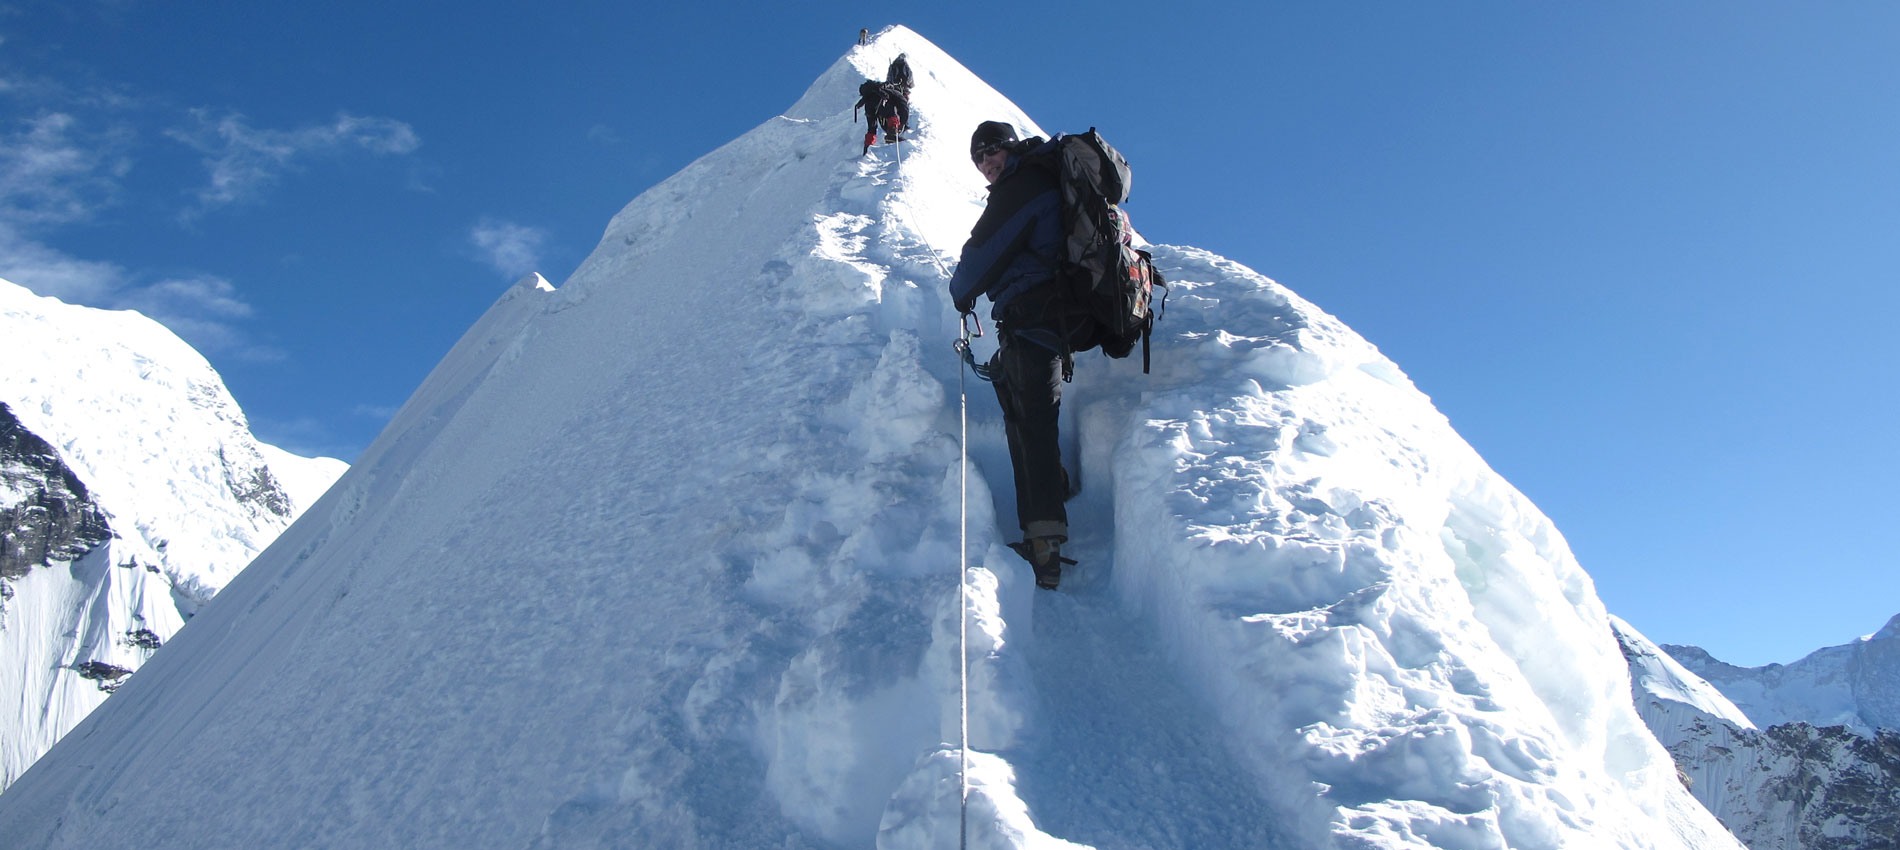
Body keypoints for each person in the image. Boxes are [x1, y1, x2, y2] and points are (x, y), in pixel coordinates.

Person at [948, 121, 1094, 590]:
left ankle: (1045, 548)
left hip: (1036, 321)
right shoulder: (1031, 183)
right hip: (1033, 322)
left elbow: (979, 256)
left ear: (1012, 148)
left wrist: (961, 291)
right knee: (1023, 414)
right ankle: (1054, 487)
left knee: (1031, 424)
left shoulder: (1023, 186)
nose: (987, 163)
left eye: (993, 151)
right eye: (979, 158)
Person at [852, 80, 910, 155]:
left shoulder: (878, 92)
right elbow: (904, 109)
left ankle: (867, 147)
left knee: (871, 128)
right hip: (882, 101)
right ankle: (892, 135)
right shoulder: (898, 95)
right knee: (891, 115)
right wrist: (902, 123)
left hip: (868, 105)